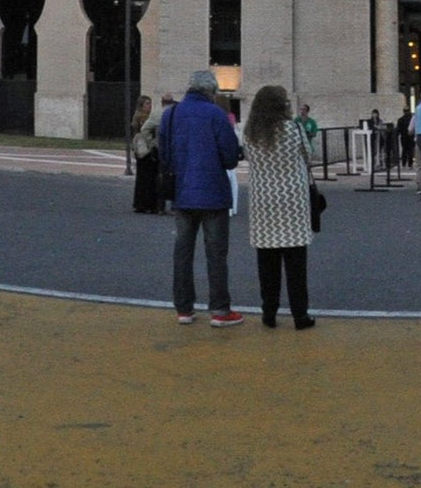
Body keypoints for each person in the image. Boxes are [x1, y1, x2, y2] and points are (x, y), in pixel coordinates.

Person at [161, 70, 244, 326]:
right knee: (216, 254)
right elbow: (230, 157)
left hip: (183, 192)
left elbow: (164, 155)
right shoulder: (216, 115)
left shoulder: (171, 115)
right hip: (213, 194)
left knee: (183, 252)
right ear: (211, 91)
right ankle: (220, 310)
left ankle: (184, 308)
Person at [243, 84, 317, 330]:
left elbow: (249, 158)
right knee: (296, 267)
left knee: (267, 266)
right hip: (293, 202)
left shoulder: (251, 132)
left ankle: (269, 313)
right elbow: (308, 155)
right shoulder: (293, 128)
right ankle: (300, 315)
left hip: (263, 203)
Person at [131, 94, 163, 213]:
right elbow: (145, 131)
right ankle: (148, 203)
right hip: (146, 149)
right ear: (142, 105)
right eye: (147, 104)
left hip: (141, 150)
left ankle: (140, 203)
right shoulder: (142, 118)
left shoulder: (140, 117)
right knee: (148, 177)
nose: (149, 106)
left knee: (143, 177)